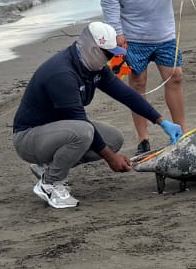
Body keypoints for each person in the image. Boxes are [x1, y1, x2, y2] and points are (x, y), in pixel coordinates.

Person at [12, 21, 183, 209]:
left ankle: (47, 167)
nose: (110, 59)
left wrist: (162, 121)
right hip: (28, 138)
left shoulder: (94, 67)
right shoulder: (62, 74)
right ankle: (49, 184)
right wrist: (111, 159)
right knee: (84, 131)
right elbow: (80, 120)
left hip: (56, 131)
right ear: (94, 50)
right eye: (108, 54)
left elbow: (126, 95)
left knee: (113, 139)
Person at [100, 0, 193, 155]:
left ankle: (181, 133)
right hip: (132, 34)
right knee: (138, 83)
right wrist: (117, 32)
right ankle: (143, 138)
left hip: (164, 32)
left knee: (175, 77)